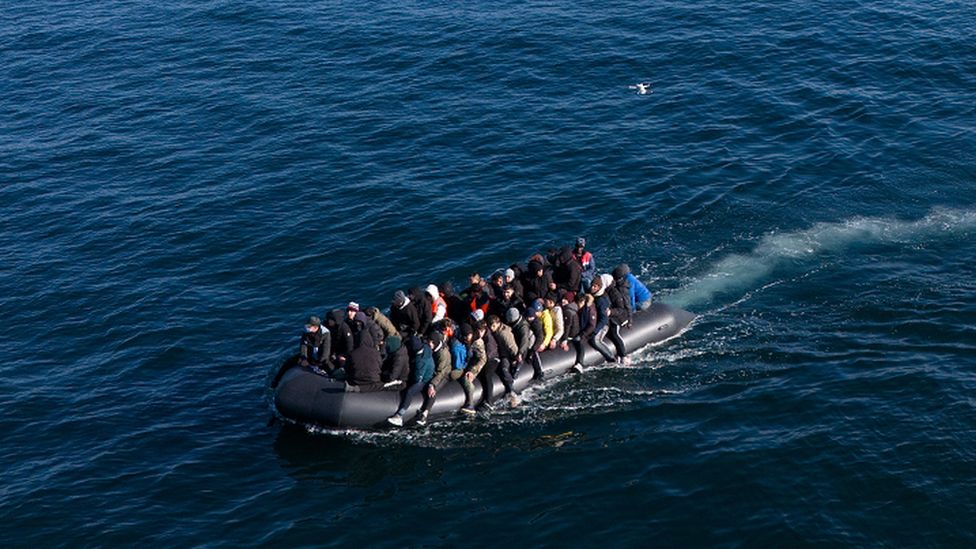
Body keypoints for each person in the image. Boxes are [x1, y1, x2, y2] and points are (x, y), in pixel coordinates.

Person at [387, 336, 435, 426]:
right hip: (426, 374)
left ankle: (400, 415)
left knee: (410, 391)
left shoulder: (421, 361)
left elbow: (418, 378)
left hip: (425, 380)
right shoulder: (425, 348)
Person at [417, 330, 459, 425]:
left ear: (435, 343)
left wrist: (432, 384)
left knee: (432, 391)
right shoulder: (433, 348)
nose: (429, 344)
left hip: (444, 374)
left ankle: (425, 413)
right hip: (434, 369)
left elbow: (441, 372)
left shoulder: (443, 354)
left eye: (431, 342)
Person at [488, 314, 521, 407]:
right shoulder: (495, 331)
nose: (491, 328)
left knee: (504, 369)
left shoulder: (503, 334)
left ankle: (511, 391)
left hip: (507, 355)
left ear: (498, 324)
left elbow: (512, 347)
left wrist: (515, 359)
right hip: (500, 354)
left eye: (493, 326)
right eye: (490, 325)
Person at [588, 275, 618, 364]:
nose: (592, 288)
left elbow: (604, 319)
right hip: (595, 321)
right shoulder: (593, 295)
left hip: (603, 325)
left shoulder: (601, 301)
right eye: (592, 285)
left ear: (599, 287)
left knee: (595, 341)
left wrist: (595, 331)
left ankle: (611, 357)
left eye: (595, 286)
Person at [605, 272, 632, 364]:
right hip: (611, 317)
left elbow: (621, 309)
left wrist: (611, 312)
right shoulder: (606, 292)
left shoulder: (614, 293)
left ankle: (623, 355)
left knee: (614, 334)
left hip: (618, 319)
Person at [460, 322, 486, 415]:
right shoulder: (462, 339)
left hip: (475, 364)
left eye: (468, 335)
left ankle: (470, 404)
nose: (467, 338)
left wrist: (472, 371)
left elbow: (483, 359)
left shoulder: (477, 342)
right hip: (467, 361)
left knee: (466, 379)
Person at [506, 307, 535, 379]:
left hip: (527, 342)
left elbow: (524, 340)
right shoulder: (513, 324)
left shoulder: (523, 327)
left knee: (522, 354)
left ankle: (517, 368)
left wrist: (520, 353)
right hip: (516, 340)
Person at [573, 293, 597, 372]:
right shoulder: (581, 309)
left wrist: (582, 335)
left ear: (583, 301)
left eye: (578, 303)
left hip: (587, 332)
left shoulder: (590, 310)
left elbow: (592, 325)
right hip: (581, 330)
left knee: (580, 342)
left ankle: (580, 363)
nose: (577, 305)